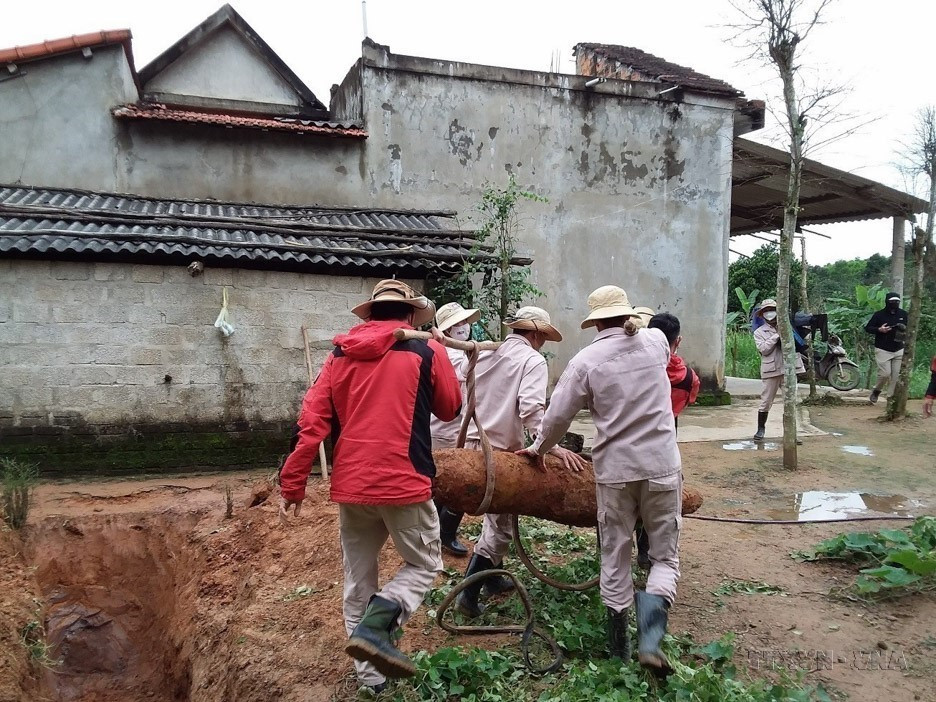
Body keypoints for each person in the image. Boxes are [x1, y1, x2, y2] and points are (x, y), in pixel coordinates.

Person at [278, 280, 461, 693]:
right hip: (404, 483)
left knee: (359, 580)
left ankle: (371, 680)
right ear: (411, 315)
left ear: (371, 315)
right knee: (425, 565)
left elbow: (310, 425)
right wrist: (442, 354)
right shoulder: (427, 350)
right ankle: (377, 629)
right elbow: (451, 409)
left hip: (352, 484)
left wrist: (292, 486)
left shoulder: (339, 354)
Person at [517, 285, 682, 674]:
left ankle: (619, 650)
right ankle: (651, 641)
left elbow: (556, 419)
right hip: (661, 467)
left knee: (615, 556)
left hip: (615, 473)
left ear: (593, 321)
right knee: (665, 559)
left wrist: (538, 449)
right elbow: (658, 335)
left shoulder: (585, 362)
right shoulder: (656, 342)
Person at [454, 306, 587, 618]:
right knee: (500, 528)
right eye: (543, 337)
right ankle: (468, 595)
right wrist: (549, 447)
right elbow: (531, 412)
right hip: (498, 454)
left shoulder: (487, 351)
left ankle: (493, 580)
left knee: (498, 518)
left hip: (470, 447)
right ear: (537, 334)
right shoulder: (531, 360)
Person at [633, 312, 699, 570]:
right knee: (659, 493)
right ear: (677, 341)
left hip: (636, 431)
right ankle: (648, 551)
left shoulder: (638, 369)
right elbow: (689, 400)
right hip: (667, 432)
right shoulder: (689, 377)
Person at [430, 301, 481, 557]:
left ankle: (438, 532)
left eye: (465, 323)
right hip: (445, 430)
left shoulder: (457, 352)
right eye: (457, 324)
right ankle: (444, 534)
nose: (464, 327)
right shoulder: (450, 355)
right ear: (448, 330)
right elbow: (464, 373)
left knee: (442, 482)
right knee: (455, 483)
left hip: (451, 428)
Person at [753, 298, 804, 442]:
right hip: (771, 370)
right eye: (766, 311)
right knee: (766, 401)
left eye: (772, 310)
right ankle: (761, 429)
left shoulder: (789, 326)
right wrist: (776, 336)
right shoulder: (759, 332)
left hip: (789, 369)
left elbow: (800, 343)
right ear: (762, 314)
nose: (770, 313)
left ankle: (790, 433)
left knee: (791, 400)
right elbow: (764, 349)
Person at [864, 292, 909, 404]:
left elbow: (911, 328)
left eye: (897, 301)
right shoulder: (879, 315)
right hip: (883, 349)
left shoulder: (904, 314)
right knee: (885, 374)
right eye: (892, 301)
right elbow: (868, 328)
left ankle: (891, 399)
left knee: (895, 376)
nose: (895, 303)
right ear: (887, 302)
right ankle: (877, 390)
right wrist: (879, 330)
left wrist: (904, 329)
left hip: (898, 349)